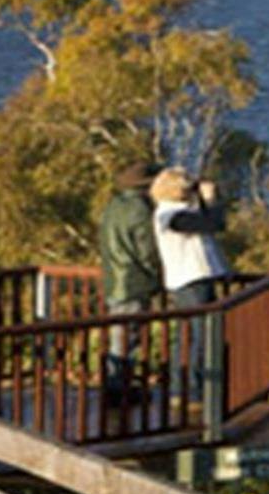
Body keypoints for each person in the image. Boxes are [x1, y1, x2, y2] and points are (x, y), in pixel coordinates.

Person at [152, 168, 230, 394]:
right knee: (202, 336)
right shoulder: (172, 216)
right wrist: (210, 200)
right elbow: (214, 224)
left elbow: (210, 223)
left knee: (190, 335)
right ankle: (195, 390)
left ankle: (183, 388)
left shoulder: (175, 213)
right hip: (190, 282)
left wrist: (205, 201)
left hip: (192, 281)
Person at [97, 161, 162, 403]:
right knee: (127, 338)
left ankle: (116, 387)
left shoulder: (113, 206)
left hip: (114, 278)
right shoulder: (140, 210)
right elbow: (147, 251)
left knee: (119, 335)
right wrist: (155, 276)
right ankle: (118, 390)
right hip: (133, 281)